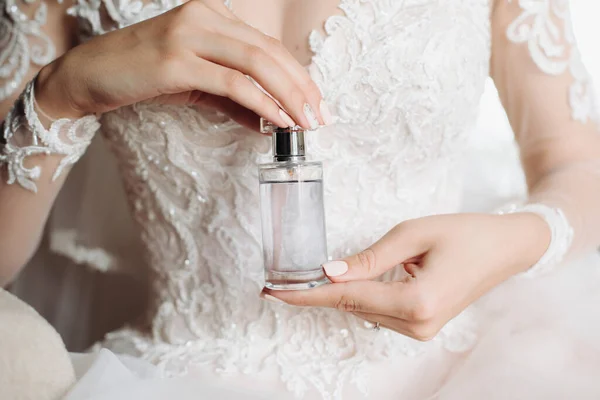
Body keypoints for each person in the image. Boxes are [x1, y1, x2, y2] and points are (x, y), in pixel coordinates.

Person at [1, 0, 600, 399]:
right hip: (176, 374)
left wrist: (516, 238)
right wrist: (61, 94)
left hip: (464, 370)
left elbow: (577, 158)